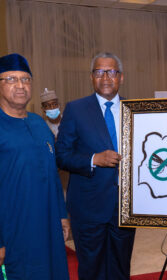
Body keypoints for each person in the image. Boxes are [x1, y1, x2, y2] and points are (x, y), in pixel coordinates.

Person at [56, 52, 135, 280]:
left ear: (121, 77)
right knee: (92, 270)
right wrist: (93, 159)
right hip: (88, 207)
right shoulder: (76, 109)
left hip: (125, 208)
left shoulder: (136, 110)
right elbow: (61, 155)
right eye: (99, 72)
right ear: (92, 77)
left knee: (121, 268)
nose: (106, 77)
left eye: (111, 71)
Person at [0, 53, 69, 280]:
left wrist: (62, 214)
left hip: (48, 225)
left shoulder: (39, 124)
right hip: (13, 231)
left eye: (26, 79)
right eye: (11, 79)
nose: (20, 86)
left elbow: (52, 175)